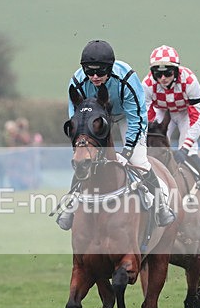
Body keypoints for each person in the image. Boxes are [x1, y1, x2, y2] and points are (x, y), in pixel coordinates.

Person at [57, 39, 175, 230]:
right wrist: (81, 147)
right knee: (83, 161)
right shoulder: (77, 82)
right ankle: (71, 204)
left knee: (139, 160)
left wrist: (126, 153)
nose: (95, 76)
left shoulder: (126, 79)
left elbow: (137, 119)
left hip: (126, 116)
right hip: (94, 118)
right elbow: (77, 121)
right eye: (90, 72)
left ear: (110, 68)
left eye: (100, 72)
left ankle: (161, 205)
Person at [142, 45, 200, 208]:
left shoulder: (190, 81)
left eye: (168, 73)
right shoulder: (147, 84)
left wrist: (185, 148)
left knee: (190, 152)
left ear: (176, 71)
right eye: (158, 73)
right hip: (162, 111)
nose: (163, 78)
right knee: (152, 150)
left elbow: (198, 116)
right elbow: (146, 115)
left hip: (185, 113)